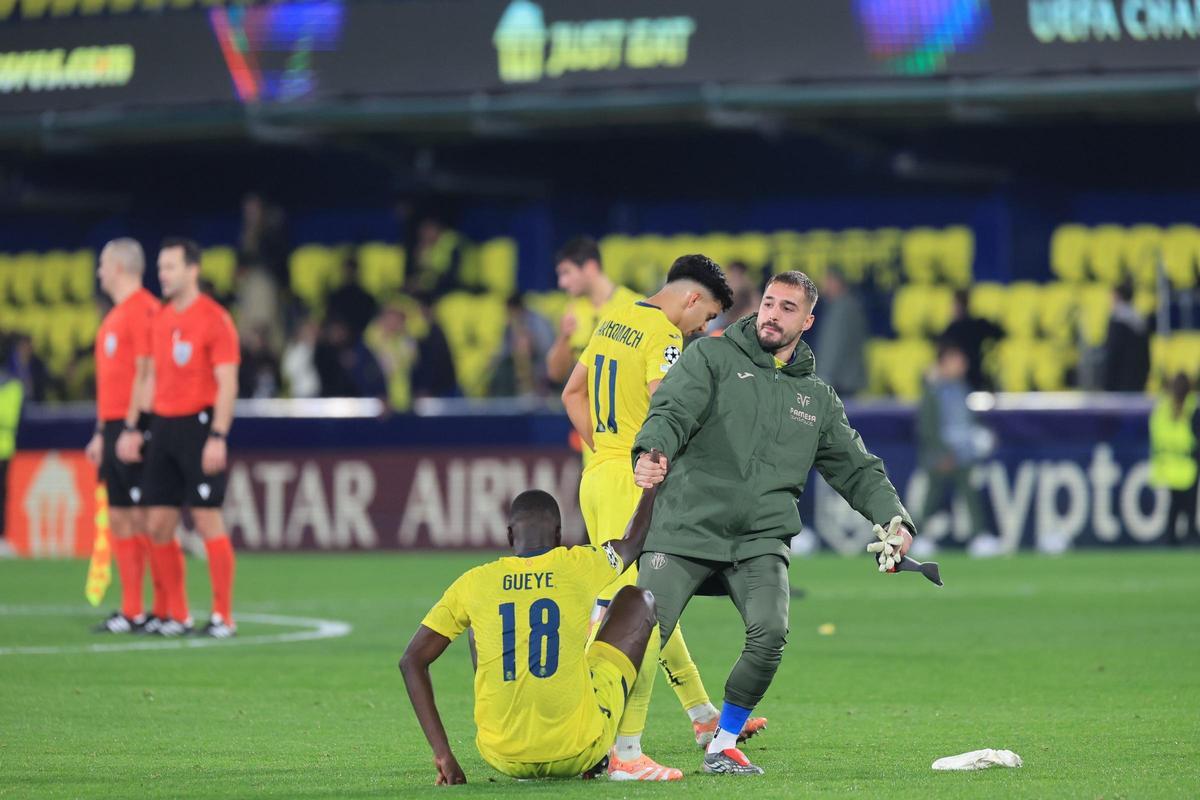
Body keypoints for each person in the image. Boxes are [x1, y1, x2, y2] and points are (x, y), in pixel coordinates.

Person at [631, 271, 916, 775]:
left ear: (807, 321)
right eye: (768, 302)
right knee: (640, 634)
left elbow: (856, 467)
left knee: (770, 633)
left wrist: (893, 519)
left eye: (787, 308)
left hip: (758, 539)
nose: (771, 314)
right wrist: (653, 451)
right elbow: (670, 411)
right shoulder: (710, 356)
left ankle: (722, 743)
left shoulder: (816, 397)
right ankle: (607, 746)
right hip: (685, 528)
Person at [562, 254, 762, 780]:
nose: (704, 328)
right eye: (709, 317)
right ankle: (621, 750)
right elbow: (667, 411)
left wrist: (605, 449)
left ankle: (700, 716)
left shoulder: (614, 318)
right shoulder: (662, 336)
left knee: (642, 601)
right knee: (641, 612)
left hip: (599, 476)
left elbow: (571, 392)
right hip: (637, 482)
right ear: (693, 298)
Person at [400, 481, 660, 783]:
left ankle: (518, 730)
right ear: (559, 534)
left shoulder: (475, 582)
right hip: (577, 751)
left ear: (510, 535)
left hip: (501, 757)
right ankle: (628, 754)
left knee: (480, 629)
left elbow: (412, 660)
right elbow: (632, 541)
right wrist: (650, 489)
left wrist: (443, 754)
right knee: (638, 600)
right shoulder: (578, 564)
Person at [117, 238, 240, 638]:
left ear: (193, 270)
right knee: (158, 522)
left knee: (206, 517)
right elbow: (147, 376)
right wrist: (134, 428)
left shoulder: (215, 319)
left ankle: (223, 616)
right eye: (160, 267)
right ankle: (177, 614)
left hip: (199, 425)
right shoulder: (160, 318)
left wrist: (218, 435)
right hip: (163, 426)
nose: (163, 275)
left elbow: (227, 383)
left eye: (170, 267)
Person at [86, 238, 166, 633]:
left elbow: (147, 374)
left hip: (137, 426)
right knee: (119, 517)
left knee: (146, 518)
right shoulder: (115, 316)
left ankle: (163, 608)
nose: (99, 271)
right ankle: (132, 609)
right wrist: (103, 431)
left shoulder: (146, 310)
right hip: (115, 425)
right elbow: (112, 383)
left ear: (118, 266)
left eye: (103, 263)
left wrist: (134, 427)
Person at [916, 341, 992, 540]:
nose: (962, 365)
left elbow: (966, 422)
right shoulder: (934, 391)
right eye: (956, 361)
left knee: (970, 494)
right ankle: (918, 535)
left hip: (962, 453)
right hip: (941, 454)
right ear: (944, 363)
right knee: (933, 498)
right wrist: (941, 453)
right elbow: (928, 427)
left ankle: (979, 536)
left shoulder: (962, 388)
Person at [545, 236, 641, 385]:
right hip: (584, 406)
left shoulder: (635, 306)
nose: (561, 283)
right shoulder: (572, 309)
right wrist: (564, 337)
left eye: (566, 272)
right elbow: (556, 374)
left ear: (590, 267)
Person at [1150, 372, 1199, 545]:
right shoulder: (1192, 408)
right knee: (1188, 506)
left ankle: (1172, 537)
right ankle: (1188, 535)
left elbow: (1156, 434)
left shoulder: (1163, 407)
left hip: (1169, 464)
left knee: (1174, 505)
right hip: (1187, 464)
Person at [813, 268, 868, 397]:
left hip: (841, 381)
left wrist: (825, 375)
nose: (822, 285)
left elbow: (833, 344)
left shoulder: (842, 308)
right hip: (846, 379)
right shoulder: (848, 304)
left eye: (826, 280)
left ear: (836, 282)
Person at [489, 293, 555, 398]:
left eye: (510, 312)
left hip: (541, 363)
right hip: (516, 368)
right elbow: (504, 351)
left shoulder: (538, 322)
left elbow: (549, 349)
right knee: (501, 372)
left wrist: (532, 344)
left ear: (517, 309)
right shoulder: (509, 326)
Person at [940, 289, 1004, 392]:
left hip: (969, 379)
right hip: (975, 378)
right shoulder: (979, 324)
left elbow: (1000, 334)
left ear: (958, 305)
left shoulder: (952, 330)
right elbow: (1000, 333)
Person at [1102, 281, 1151, 393]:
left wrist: (1107, 386)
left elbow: (1113, 357)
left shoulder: (1117, 322)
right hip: (1138, 382)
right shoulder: (1140, 320)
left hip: (1118, 386)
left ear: (1118, 297)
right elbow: (1147, 358)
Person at [0, 335, 22, 559]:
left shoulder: (12, 385)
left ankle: (1, 537)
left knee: (1, 494)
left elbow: (9, 417)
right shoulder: (14, 384)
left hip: (4, 447)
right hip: (5, 446)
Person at [326, 256, 379, 343]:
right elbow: (331, 321)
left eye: (351, 270)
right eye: (347, 270)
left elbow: (371, 322)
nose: (349, 273)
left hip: (362, 340)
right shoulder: (334, 297)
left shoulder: (367, 298)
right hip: (339, 343)